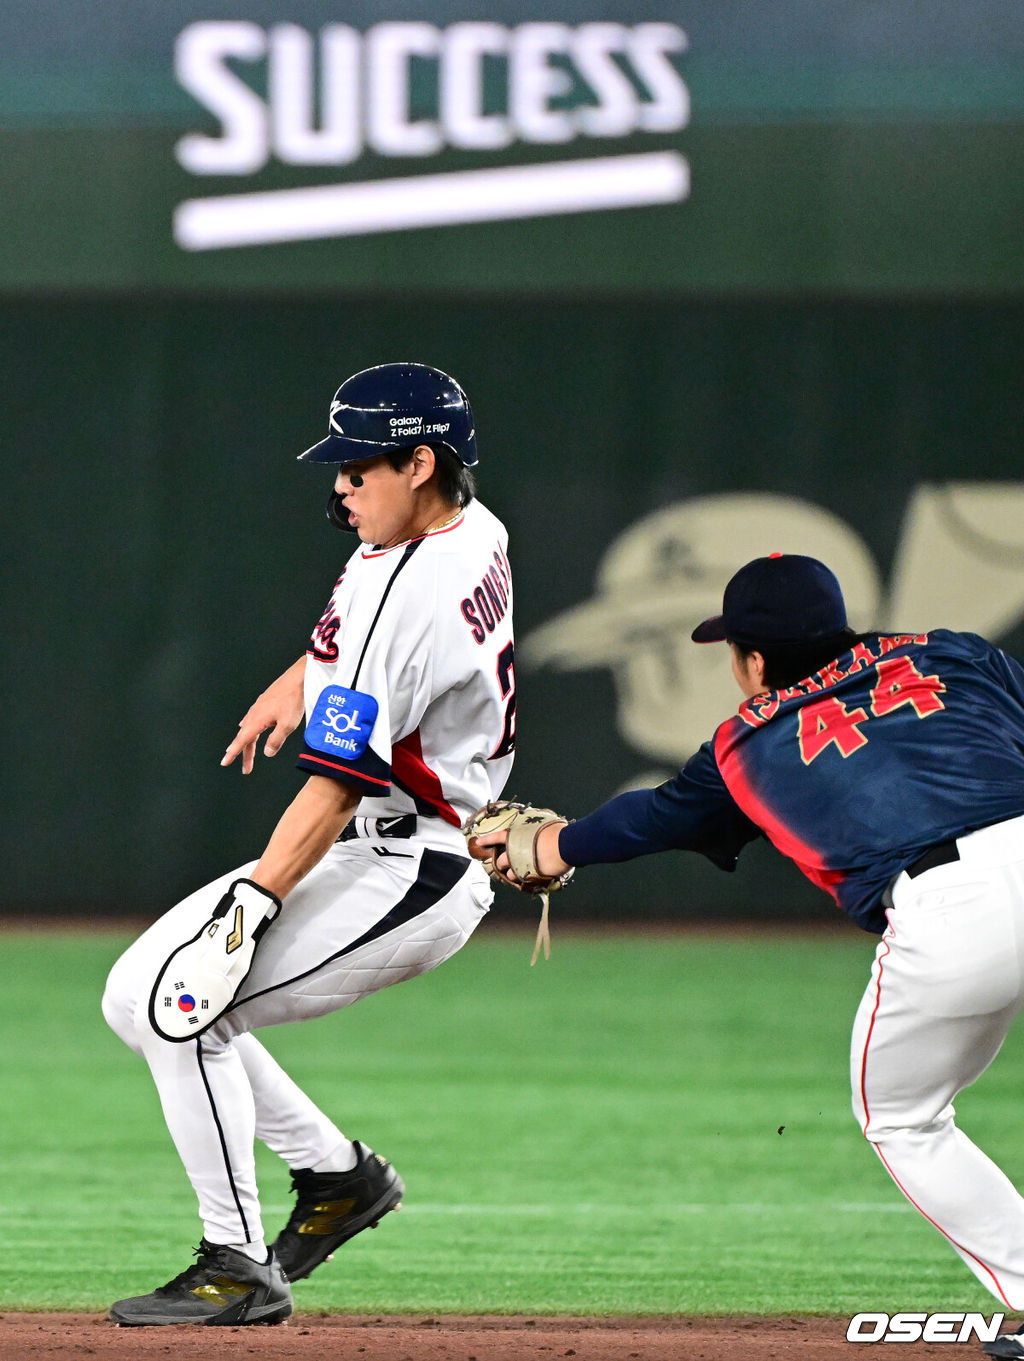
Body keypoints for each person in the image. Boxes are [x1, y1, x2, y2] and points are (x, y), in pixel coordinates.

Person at [477, 552, 1024, 1357]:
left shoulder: (748, 741)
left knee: (903, 1117)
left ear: (754, 659)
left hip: (949, 915)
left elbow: (654, 818)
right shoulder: (952, 653)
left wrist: (552, 844)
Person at [102, 362, 515, 1327]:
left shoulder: (419, 582)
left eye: (358, 465)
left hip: (413, 861)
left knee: (184, 1007)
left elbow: (339, 783)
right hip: (382, 839)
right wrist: (304, 676)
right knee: (136, 996)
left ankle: (237, 1264)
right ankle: (337, 1177)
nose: (339, 482)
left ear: (420, 462)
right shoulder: (463, 522)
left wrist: (253, 905)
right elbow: (365, 641)